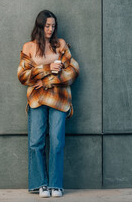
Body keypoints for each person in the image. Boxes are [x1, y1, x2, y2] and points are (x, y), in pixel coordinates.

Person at [17, 10, 79, 198]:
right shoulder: (28, 47)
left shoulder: (60, 45)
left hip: (59, 99)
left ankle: (55, 185)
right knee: (36, 141)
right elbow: (22, 75)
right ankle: (40, 184)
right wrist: (47, 68)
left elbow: (73, 71)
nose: (51, 29)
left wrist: (46, 81)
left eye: (53, 26)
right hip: (36, 100)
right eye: (47, 26)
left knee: (57, 141)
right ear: (40, 26)